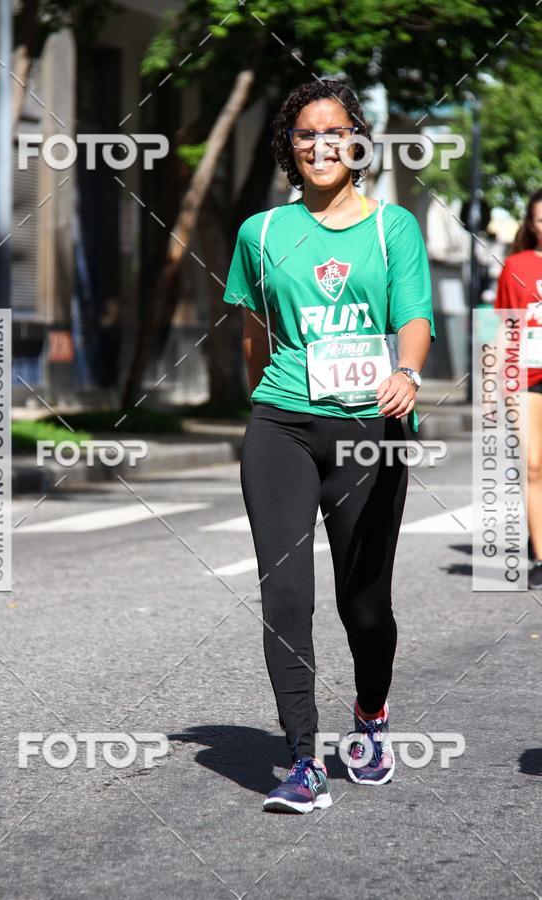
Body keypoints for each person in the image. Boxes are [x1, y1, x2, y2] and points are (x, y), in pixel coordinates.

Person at [221, 81, 435, 814]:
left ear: (357, 142)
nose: (319, 145)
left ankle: (370, 719)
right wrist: (267, 402)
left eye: (333, 132)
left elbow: (414, 318)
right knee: (284, 595)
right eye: (305, 134)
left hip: (372, 428)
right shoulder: (262, 233)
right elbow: (254, 333)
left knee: (364, 602)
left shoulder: (391, 229)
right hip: (283, 422)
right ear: (290, 146)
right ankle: (301, 760)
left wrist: (407, 373)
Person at [495, 189, 542, 589]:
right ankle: (541, 555)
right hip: (527, 373)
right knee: (532, 463)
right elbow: (505, 326)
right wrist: (502, 381)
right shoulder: (516, 265)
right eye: (540, 219)